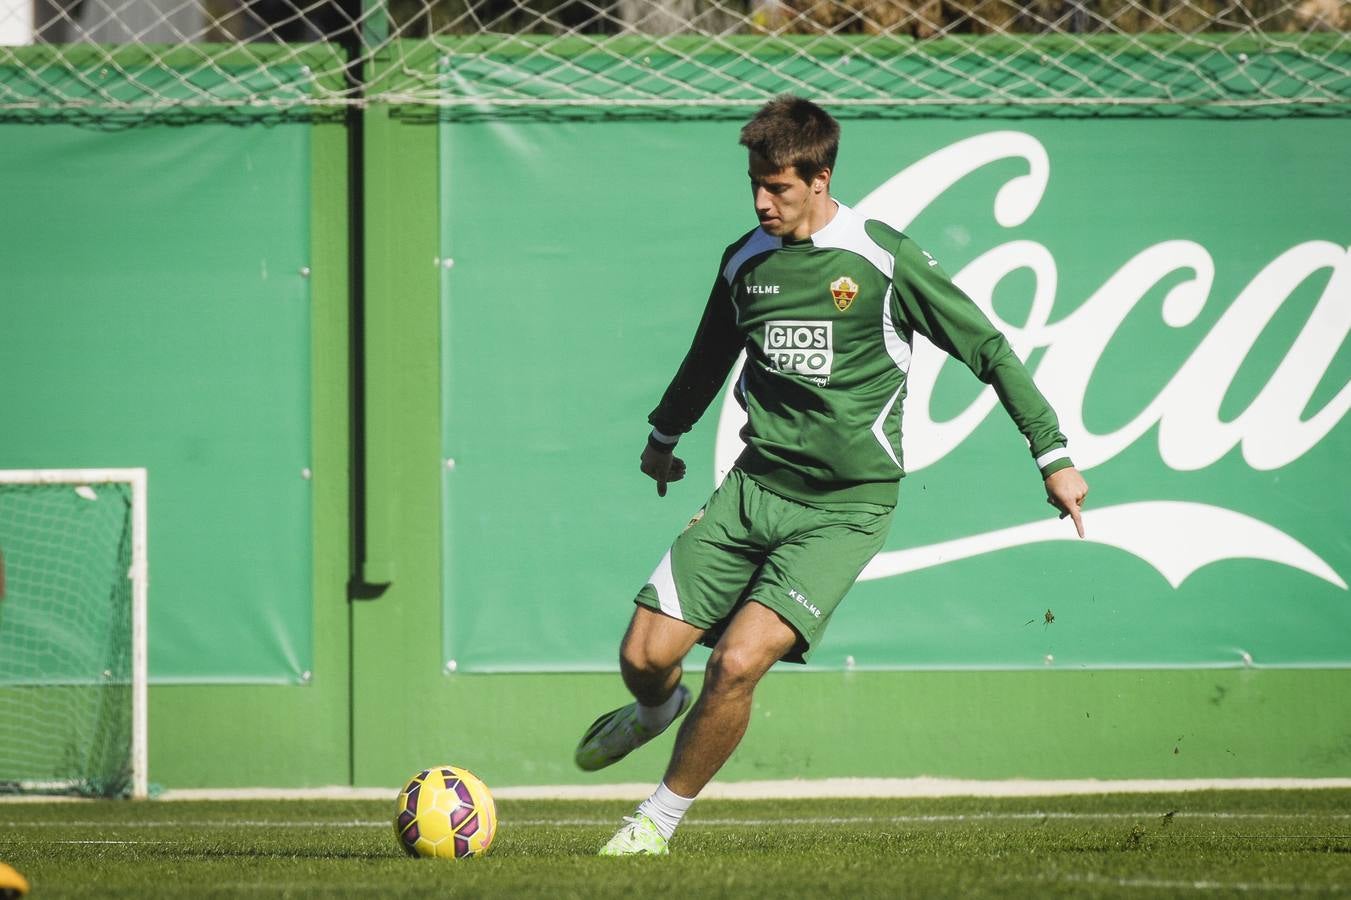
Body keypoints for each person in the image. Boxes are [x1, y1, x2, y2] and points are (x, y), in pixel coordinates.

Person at [573, 95, 1089, 856]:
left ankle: (654, 823)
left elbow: (989, 349)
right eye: (753, 181)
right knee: (642, 659)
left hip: (843, 512)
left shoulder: (883, 259)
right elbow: (709, 356)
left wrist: (1053, 457)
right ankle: (655, 711)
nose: (760, 200)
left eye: (776, 186)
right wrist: (664, 433)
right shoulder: (743, 260)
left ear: (820, 178)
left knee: (736, 663)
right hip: (751, 491)